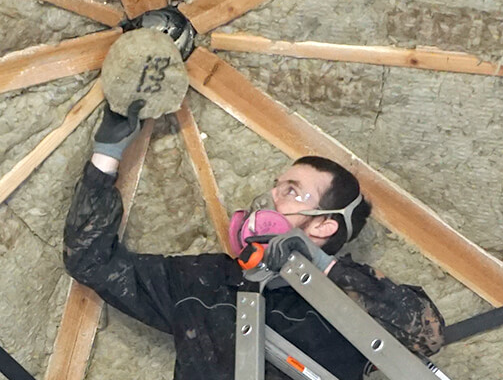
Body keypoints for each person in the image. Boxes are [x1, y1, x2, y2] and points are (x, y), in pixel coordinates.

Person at [64, 26, 444, 380]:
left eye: (293, 192)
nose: (271, 199)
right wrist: (106, 156)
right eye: (276, 186)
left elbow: (425, 335)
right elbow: (90, 261)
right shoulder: (204, 284)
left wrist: (322, 269)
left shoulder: (353, 304)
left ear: (324, 225)